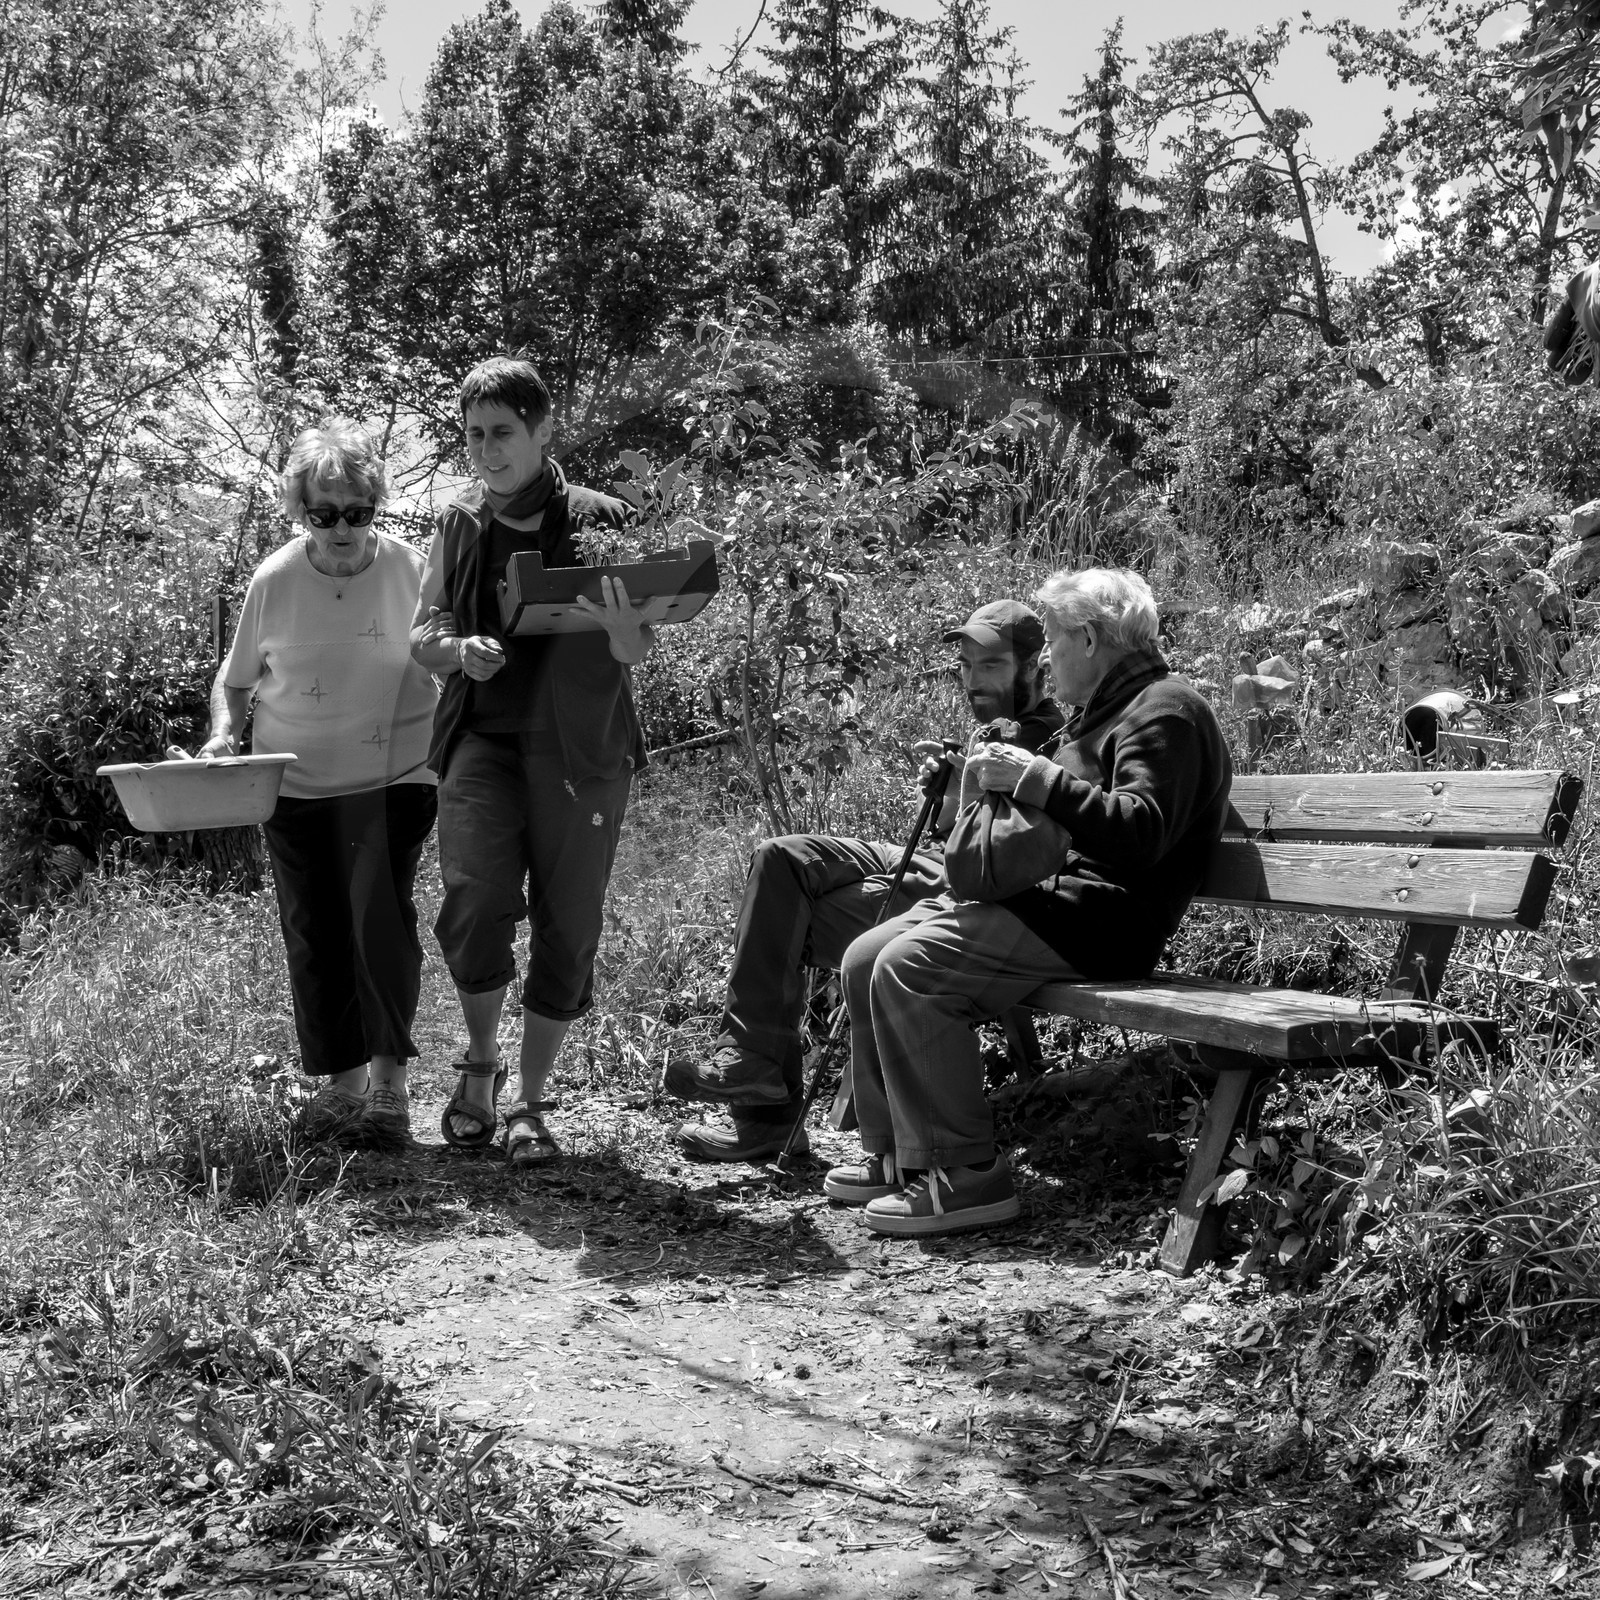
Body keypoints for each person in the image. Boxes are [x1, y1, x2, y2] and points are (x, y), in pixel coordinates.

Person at [826, 568, 1232, 1236]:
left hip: (1101, 918)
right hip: (1051, 906)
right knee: (866, 957)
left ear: (1093, 640)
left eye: (1053, 640)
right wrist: (973, 789)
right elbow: (1042, 821)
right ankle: (899, 1154)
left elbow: (1142, 832)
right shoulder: (1100, 717)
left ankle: (966, 1178)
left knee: (910, 968)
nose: (1046, 658)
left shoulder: (1167, 709)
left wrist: (1039, 778)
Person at [667, 600, 1065, 1163]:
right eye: (966, 665)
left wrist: (966, 793)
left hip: (967, 891)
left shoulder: (1049, 737)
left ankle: (766, 1121)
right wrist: (953, 797)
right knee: (780, 858)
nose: (974, 680)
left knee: (782, 919)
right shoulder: (991, 731)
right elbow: (956, 829)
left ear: (1033, 669)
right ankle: (749, 1063)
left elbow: (1000, 861)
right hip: (936, 858)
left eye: (992, 666)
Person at [409, 356, 651, 1168]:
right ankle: (479, 1067)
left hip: (583, 746)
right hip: (481, 738)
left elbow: (640, 640)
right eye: (473, 435)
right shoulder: (457, 522)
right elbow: (423, 630)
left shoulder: (601, 516)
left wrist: (624, 635)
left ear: (544, 431)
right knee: (475, 895)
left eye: (502, 433)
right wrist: (455, 650)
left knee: (569, 915)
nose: (485, 450)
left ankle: (532, 1103)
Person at [194, 419, 440, 1144]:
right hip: (293, 782)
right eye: (323, 514)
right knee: (315, 930)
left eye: (357, 512)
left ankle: (390, 1089)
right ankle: (342, 1086)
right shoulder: (274, 580)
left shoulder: (410, 569)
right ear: (300, 512)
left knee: (380, 919)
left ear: (376, 507)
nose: (342, 528)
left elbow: (446, 650)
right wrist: (222, 733)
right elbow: (234, 682)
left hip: (394, 772)